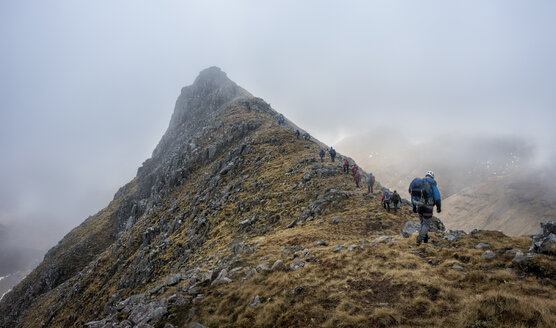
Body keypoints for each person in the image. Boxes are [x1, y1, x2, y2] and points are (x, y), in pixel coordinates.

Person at [409, 171, 441, 245]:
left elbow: (413, 196)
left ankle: (425, 239)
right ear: (432, 177)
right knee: (426, 225)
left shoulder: (420, 183)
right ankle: (419, 240)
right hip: (428, 207)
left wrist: (414, 207)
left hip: (419, 206)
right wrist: (438, 208)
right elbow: (437, 197)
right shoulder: (432, 183)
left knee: (422, 223)